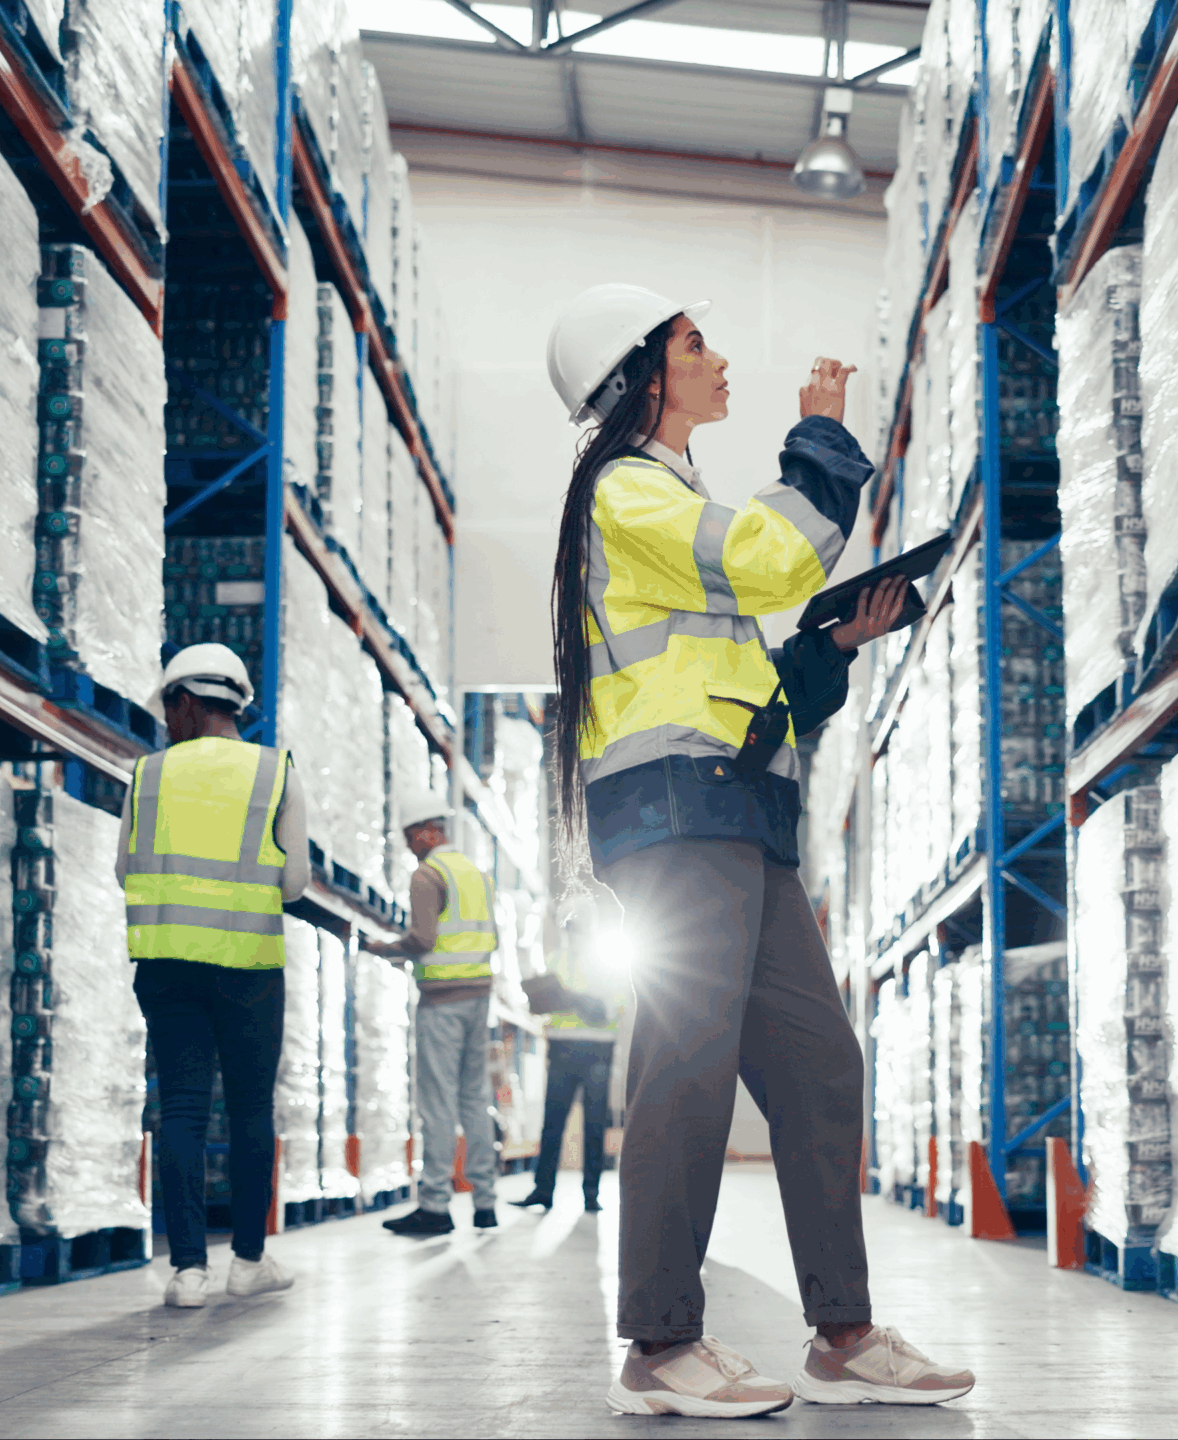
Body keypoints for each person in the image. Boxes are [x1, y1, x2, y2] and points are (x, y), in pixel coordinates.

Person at [544, 284, 974, 1416]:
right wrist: (821, 436)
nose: (715, 358)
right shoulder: (625, 493)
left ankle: (841, 1333)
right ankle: (660, 1344)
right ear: (642, 377)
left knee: (819, 1065)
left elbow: (756, 692)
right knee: (683, 1074)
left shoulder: (673, 505)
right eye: (694, 345)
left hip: (738, 813)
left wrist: (831, 649)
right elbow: (769, 559)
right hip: (674, 815)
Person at [116, 644, 308, 1309]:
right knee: (252, 1109)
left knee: (184, 1109)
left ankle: (188, 1272)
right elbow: (296, 882)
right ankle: (248, 1261)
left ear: (187, 701)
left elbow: (124, 870)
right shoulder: (273, 770)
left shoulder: (147, 775)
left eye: (168, 708)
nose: (166, 721)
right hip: (249, 965)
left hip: (167, 963)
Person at [364, 794, 500, 1237]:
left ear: (427, 831)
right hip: (480, 996)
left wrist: (382, 948)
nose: (408, 847)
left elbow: (422, 939)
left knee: (438, 1104)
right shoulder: (475, 874)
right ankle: (485, 1204)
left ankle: (436, 1206)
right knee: (474, 1099)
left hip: (442, 1001)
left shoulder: (428, 875)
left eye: (409, 837)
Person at [510, 942, 625, 1214]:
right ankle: (543, 1190)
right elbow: (544, 1002)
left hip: (598, 1050)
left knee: (594, 1125)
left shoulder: (610, 959)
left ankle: (591, 1194)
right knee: (552, 1124)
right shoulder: (556, 958)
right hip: (562, 1049)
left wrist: (577, 999)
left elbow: (613, 1008)